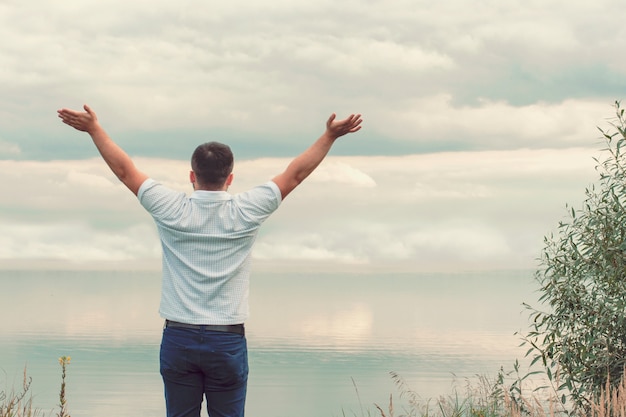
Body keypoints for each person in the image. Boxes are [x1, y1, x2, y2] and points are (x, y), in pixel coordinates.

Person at [57, 104, 363, 417]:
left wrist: (94, 129)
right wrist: (329, 136)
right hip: (226, 341)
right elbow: (295, 175)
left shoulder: (171, 208)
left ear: (192, 175)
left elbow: (124, 171)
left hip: (179, 338)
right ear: (230, 178)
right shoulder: (246, 210)